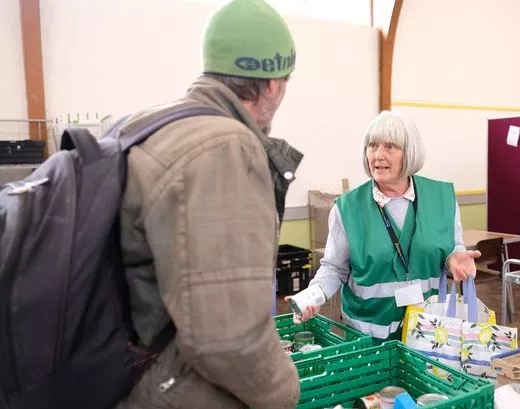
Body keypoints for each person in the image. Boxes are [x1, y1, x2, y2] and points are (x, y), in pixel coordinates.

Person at [116, 1, 302, 408]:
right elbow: (229, 339)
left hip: (121, 373)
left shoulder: (146, 124)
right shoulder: (225, 147)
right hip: (170, 390)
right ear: (272, 83)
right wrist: (284, 392)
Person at [290, 111, 480, 342]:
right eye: (372, 146)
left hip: (427, 333)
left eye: (390, 147)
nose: (378, 155)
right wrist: (313, 296)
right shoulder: (347, 208)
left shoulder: (442, 199)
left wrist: (453, 258)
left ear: (409, 152)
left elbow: (453, 247)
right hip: (367, 335)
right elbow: (334, 268)